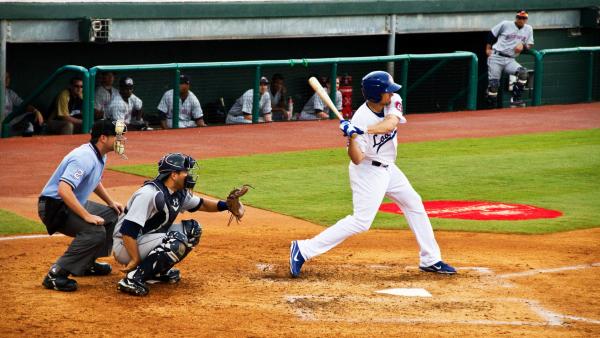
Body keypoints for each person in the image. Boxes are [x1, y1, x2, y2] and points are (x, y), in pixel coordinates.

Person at [289, 71, 456, 278]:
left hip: (389, 167)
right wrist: (351, 138)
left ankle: (430, 259)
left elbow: (390, 124)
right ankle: (303, 249)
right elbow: (357, 158)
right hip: (368, 171)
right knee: (361, 221)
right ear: (377, 95)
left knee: (413, 202)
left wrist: (360, 129)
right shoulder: (361, 117)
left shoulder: (391, 101)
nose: (392, 93)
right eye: (388, 91)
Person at [112, 153, 248, 296]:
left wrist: (226, 205)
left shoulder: (178, 192)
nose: (189, 175)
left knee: (193, 229)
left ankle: (156, 272)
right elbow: (128, 231)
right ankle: (133, 279)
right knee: (176, 241)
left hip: (145, 238)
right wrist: (135, 259)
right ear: (174, 175)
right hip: (125, 245)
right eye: (185, 171)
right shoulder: (149, 194)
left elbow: (202, 204)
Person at [38, 119, 127, 292]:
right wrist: (86, 216)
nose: (121, 140)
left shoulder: (99, 155)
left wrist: (110, 202)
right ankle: (56, 274)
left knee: (113, 214)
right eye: (117, 137)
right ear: (103, 138)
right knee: (94, 231)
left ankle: (87, 264)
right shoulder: (84, 157)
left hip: (68, 203)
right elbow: (64, 190)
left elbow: (94, 181)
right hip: (54, 207)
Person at [485, 9, 534, 108]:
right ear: (516, 18)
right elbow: (492, 34)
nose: (521, 20)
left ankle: (515, 99)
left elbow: (530, 44)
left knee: (523, 73)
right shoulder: (506, 24)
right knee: (494, 85)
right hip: (496, 57)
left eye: (524, 18)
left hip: (510, 60)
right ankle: (491, 108)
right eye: (519, 17)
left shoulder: (528, 29)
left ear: (526, 19)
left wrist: (523, 46)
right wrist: (488, 48)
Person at [1, 71, 44, 136]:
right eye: (5, 77)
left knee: (30, 122)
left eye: (8, 77)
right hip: (2, 123)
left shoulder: (10, 93)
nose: (7, 79)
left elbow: (23, 105)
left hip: (10, 122)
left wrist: (36, 111)